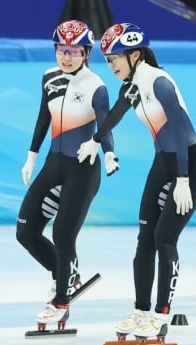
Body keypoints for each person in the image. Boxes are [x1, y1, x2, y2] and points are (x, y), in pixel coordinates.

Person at [77, 23, 196, 340]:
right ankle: (140, 311)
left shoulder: (159, 81)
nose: (111, 67)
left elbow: (179, 129)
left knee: (165, 236)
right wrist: (97, 141)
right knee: (144, 238)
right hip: (162, 162)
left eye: (115, 59)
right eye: (108, 61)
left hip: (190, 162)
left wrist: (182, 178)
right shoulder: (131, 87)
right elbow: (113, 116)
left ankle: (161, 315)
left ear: (135, 55)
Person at [16, 20, 118, 326]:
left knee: (62, 234)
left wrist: (108, 152)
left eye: (73, 50)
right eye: (61, 49)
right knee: (26, 231)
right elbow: (42, 118)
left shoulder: (95, 86)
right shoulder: (48, 77)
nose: (66, 56)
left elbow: (106, 124)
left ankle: (61, 300)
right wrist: (31, 157)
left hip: (82, 170)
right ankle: (67, 274)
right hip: (53, 164)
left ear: (86, 52)